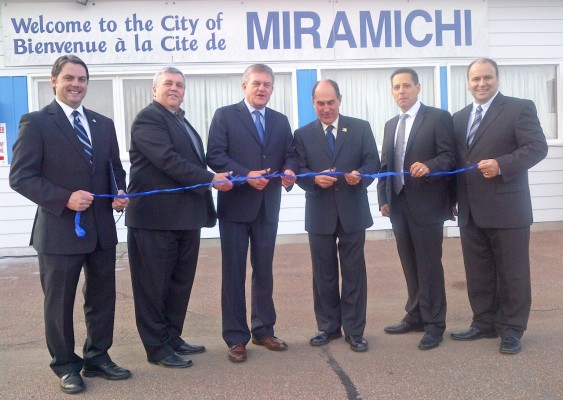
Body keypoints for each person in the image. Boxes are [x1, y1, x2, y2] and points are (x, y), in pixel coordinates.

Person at [9, 54, 131, 394]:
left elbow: (113, 170)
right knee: (59, 303)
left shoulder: (103, 124)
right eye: (69, 78)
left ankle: (98, 357)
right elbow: (20, 177)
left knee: (102, 297)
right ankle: (65, 365)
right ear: (54, 81)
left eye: (81, 79)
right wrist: (64, 198)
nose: (76, 84)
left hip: (101, 229)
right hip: (60, 230)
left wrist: (119, 191)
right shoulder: (36, 123)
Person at [126, 67, 232, 368]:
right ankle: (156, 347)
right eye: (168, 84)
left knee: (179, 283)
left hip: (186, 218)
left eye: (179, 85)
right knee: (153, 286)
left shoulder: (180, 121)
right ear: (154, 89)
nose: (175, 88)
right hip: (155, 219)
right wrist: (210, 179)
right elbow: (167, 161)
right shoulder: (149, 119)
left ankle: (172, 336)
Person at [450, 58, 548, 354]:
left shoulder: (519, 108)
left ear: (497, 79)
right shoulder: (458, 117)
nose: (481, 84)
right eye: (475, 79)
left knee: (512, 273)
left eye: (487, 78)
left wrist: (502, 165)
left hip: (508, 209)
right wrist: (452, 199)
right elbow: (458, 162)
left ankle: (512, 329)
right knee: (478, 272)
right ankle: (484, 323)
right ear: (467, 82)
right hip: (470, 210)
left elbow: (537, 147)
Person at [206, 63, 297, 363]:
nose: (262, 89)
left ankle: (263, 330)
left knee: (264, 271)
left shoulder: (281, 121)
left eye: (267, 85)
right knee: (233, 273)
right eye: (256, 83)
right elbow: (215, 154)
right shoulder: (225, 116)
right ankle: (235, 337)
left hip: (267, 207)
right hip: (235, 207)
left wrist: (289, 170)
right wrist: (245, 174)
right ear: (244, 85)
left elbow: (291, 153)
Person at [294, 79, 380, 352]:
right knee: (324, 273)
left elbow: (372, 163)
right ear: (313, 103)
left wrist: (361, 177)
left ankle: (354, 331)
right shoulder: (302, 134)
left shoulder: (360, 127)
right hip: (319, 212)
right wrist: (313, 180)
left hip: (353, 210)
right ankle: (328, 327)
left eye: (330, 102)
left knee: (354, 273)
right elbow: (298, 169)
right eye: (320, 103)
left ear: (340, 100)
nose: (326, 108)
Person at [376, 68, 455, 350]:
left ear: (418, 88)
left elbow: (449, 156)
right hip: (398, 204)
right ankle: (416, 314)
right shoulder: (389, 124)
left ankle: (435, 323)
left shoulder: (437, 118)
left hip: (427, 204)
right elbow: (386, 165)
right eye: (396, 87)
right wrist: (383, 198)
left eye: (407, 85)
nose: (402, 91)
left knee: (429, 265)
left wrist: (430, 166)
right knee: (409, 262)